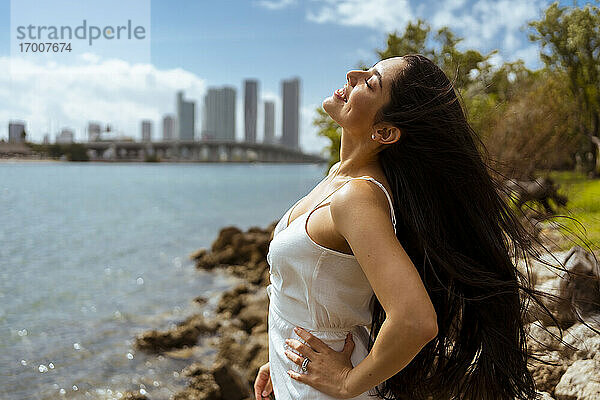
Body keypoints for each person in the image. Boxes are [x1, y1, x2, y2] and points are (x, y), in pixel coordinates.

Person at [254, 54, 558, 400]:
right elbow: (313, 293)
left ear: (384, 132)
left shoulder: (357, 196)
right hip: (303, 375)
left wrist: (346, 383)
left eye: (370, 81)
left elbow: (415, 320)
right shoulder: (339, 180)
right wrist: (278, 354)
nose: (353, 74)